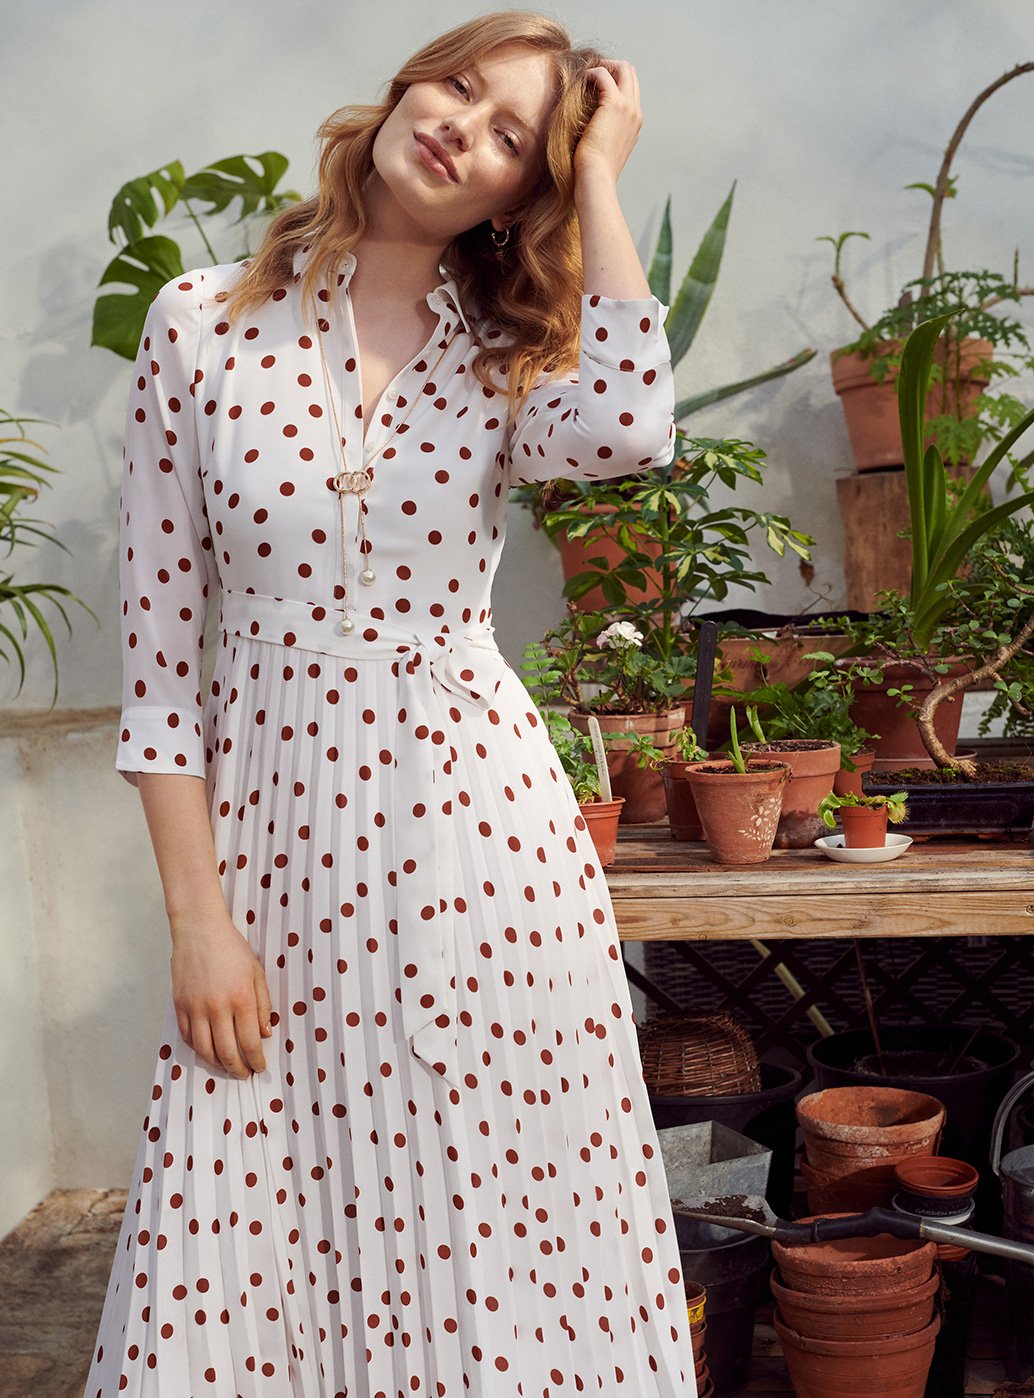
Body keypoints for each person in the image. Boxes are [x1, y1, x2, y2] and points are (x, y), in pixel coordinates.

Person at [86, 11, 696, 1396]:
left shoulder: (501, 350)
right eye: (458, 88)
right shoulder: (199, 324)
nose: (458, 130)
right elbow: (162, 669)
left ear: (514, 197)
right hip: (276, 845)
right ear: (407, 84)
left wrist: (598, 169)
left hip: (480, 846)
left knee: (500, 1195)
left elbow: (625, 427)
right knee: (255, 1192)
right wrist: (198, 925)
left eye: (507, 140)